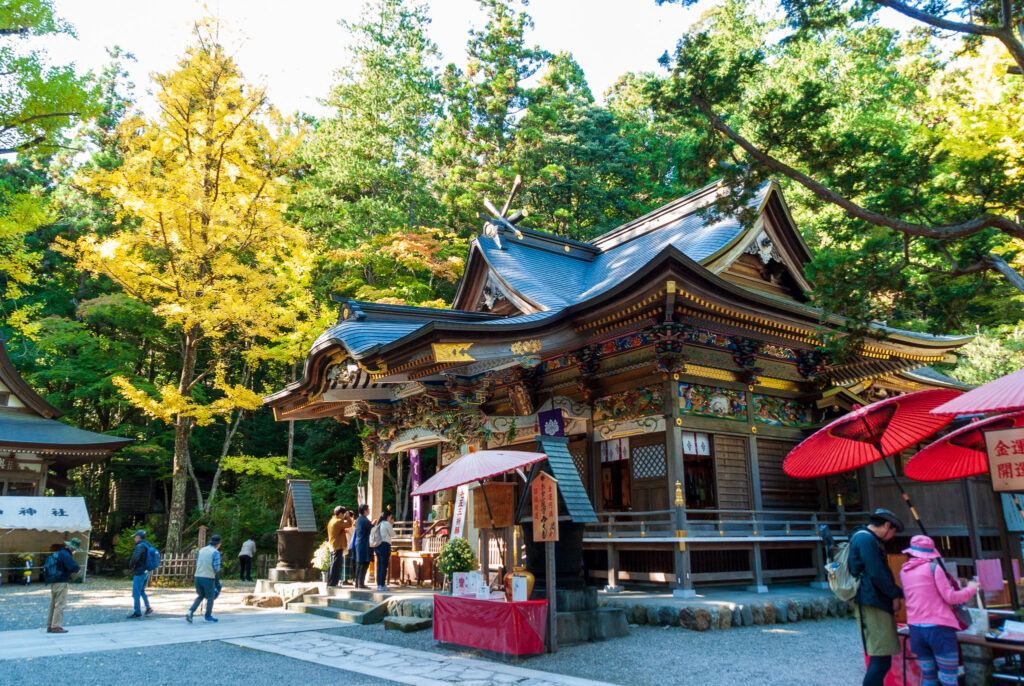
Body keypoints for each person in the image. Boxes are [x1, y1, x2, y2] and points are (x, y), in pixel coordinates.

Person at [900, 535, 979, 686]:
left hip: (916, 629)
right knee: (948, 678)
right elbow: (951, 598)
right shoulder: (933, 568)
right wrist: (971, 589)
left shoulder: (904, 571)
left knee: (929, 677)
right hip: (939, 630)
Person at [849, 508, 906, 686]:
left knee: (882, 659)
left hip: (873, 599)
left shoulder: (864, 537)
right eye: (893, 532)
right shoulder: (865, 539)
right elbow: (876, 573)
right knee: (880, 659)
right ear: (887, 525)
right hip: (871, 601)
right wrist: (894, 593)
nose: (891, 537)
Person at [46, 538, 81, 634]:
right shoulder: (66, 555)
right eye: (74, 549)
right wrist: (78, 569)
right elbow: (75, 567)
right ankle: (56, 626)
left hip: (54, 581)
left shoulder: (59, 553)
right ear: (71, 547)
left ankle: (50, 625)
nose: (75, 551)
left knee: (53, 605)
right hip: (62, 582)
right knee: (60, 605)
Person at [187, 534, 222, 623]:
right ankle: (208, 616)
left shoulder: (202, 550)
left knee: (200, 595)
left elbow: (197, 563)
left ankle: (190, 611)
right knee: (210, 596)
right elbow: (216, 568)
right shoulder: (215, 552)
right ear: (218, 543)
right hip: (208, 577)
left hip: (198, 576)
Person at [126, 530, 153, 618]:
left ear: (138, 537)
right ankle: (148, 607)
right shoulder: (147, 545)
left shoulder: (140, 546)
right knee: (142, 591)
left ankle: (137, 612)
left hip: (139, 572)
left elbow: (135, 558)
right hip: (146, 571)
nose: (134, 538)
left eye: (135, 537)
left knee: (136, 593)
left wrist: (131, 566)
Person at [326, 506, 353, 587]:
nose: (345, 515)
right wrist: (348, 517)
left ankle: (330, 582)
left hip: (333, 545)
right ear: (341, 514)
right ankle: (333, 583)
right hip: (338, 545)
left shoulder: (332, 520)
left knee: (332, 564)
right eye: (344, 514)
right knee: (336, 566)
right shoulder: (338, 521)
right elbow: (349, 524)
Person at [374, 510, 394, 591]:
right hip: (385, 545)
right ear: (388, 516)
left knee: (379, 565)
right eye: (390, 517)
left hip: (377, 546)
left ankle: (379, 584)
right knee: (384, 565)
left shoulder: (378, 523)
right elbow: (392, 534)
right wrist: (392, 525)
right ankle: (382, 584)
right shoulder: (386, 524)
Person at [352, 504, 371, 589]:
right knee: (364, 564)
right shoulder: (364, 520)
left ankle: (357, 583)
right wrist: (373, 524)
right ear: (365, 511)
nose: (369, 511)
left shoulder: (359, 519)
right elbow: (371, 530)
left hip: (359, 543)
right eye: (368, 509)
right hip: (363, 543)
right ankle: (361, 583)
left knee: (359, 564)